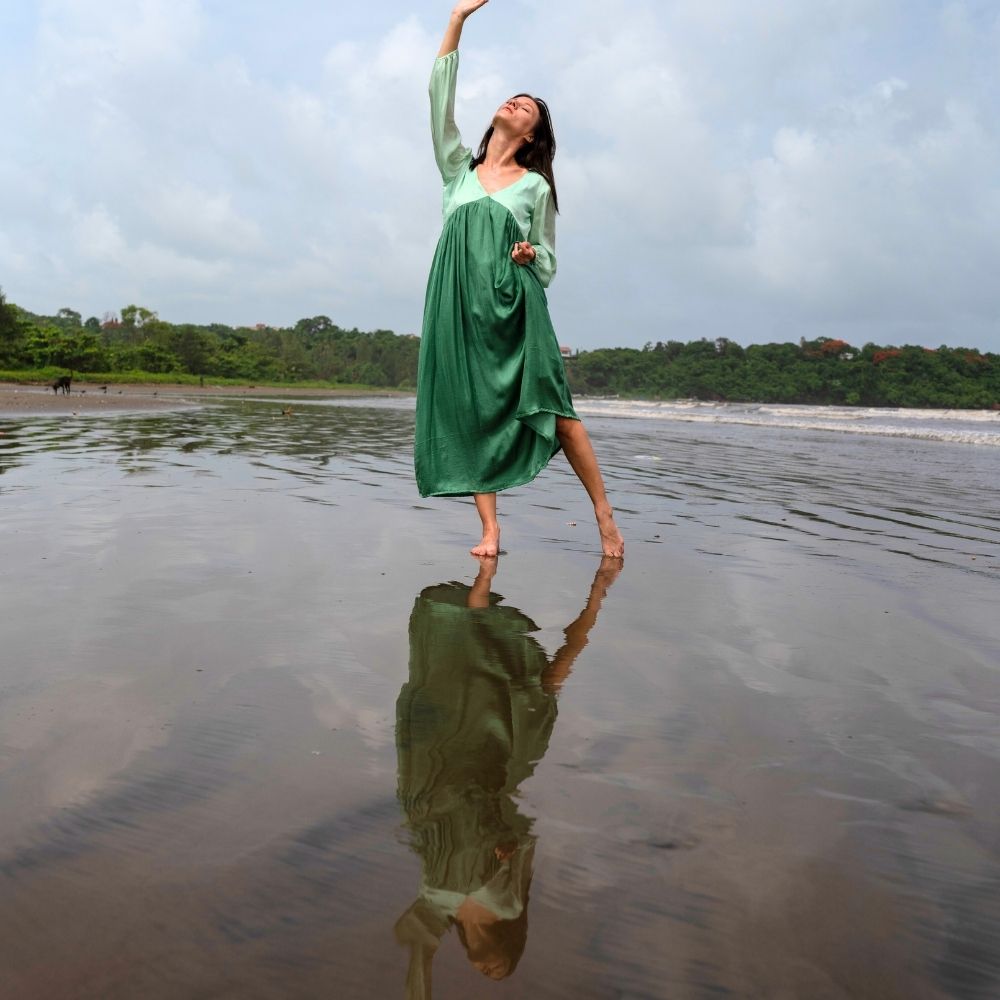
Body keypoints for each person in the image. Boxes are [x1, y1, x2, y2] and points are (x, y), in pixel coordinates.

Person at [414, 0, 625, 559]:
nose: (517, 102)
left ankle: (604, 516)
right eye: (514, 98)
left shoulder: (534, 187)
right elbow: (438, 101)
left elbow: (550, 260)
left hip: (516, 305)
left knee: (555, 411)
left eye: (528, 106)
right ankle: (490, 531)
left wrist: (532, 253)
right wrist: (458, 19)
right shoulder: (457, 169)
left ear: (532, 134)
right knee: (471, 410)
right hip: (458, 307)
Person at [394, 555, 623, 996]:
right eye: (501, 967)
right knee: (500, 711)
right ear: (511, 945)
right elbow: (516, 850)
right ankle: (482, 611)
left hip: (434, 808)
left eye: (489, 972)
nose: (491, 968)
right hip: (473, 816)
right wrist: (500, 847)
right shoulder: (510, 905)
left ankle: (470, 617)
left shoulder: (444, 915)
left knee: (446, 718)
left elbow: (419, 956)